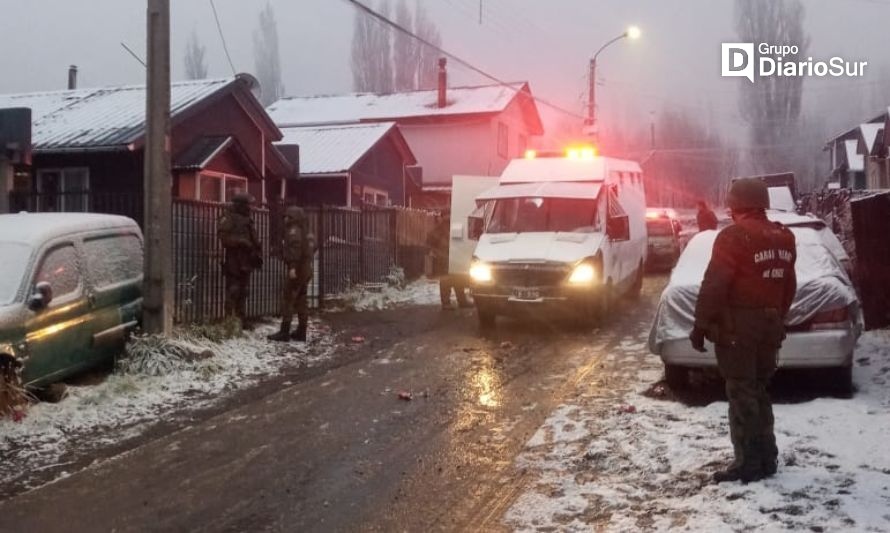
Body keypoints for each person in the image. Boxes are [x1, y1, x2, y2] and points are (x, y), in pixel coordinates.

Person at [690, 178, 797, 484]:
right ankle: (767, 456)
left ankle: (748, 462)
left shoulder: (734, 237)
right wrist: (777, 316)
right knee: (760, 388)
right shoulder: (783, 236)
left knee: (741, 390)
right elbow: (788, 285)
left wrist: (700, 325)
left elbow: (715, 285)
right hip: (771, 323)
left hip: (739, 328)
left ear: (737, 206)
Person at [269, 206, 316, 342]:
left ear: (293, 218)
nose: (285, 219)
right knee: (301, 300)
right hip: (306, 269)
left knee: (288, 299)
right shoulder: (306, 231)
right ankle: (301, 332)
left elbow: (295, 249)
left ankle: (284, 332)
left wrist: (293, 267)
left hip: (298, 270)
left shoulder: (293, 231)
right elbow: (313, 246)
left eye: (288, 217)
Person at [217, 193, 263, 327]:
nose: (249, 207)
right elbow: (224, 238)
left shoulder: (247, 219)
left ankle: (240, 319)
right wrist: (241, 242)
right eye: (247, 204)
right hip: (234, 260)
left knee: (244, 290)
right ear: (240, 205)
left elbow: (253, 239)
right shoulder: (229, 217)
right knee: (233, 290)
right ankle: (229, 321)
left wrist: (257, 252)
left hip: (246, 260)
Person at [426, 213, 471, 310]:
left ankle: (459, 301)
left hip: (451, 256)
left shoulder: (450, 225)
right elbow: (429, 240)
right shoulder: (441, 227)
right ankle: (448, 303)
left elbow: (429, 240)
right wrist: (436, 251)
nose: (448, 217)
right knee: (447, 280)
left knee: (457, 279)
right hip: (444, 257)